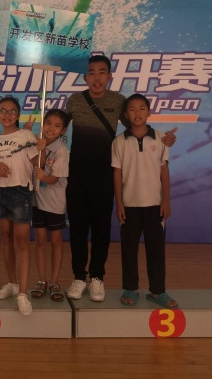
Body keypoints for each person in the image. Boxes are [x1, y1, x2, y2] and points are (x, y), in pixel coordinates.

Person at [65, 55, 177, 302]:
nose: (97, 78)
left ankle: (97, 277)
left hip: (105, 176)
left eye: (102, 72)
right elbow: (58, 128)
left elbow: (137, 127)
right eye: (92, 73)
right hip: (77, 177)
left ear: (109, 76)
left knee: (102, 230)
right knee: (78, 231)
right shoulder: (74, 100)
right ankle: (79, 277)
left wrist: (164, 139)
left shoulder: (118, 101)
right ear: (85, 77)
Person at [112, 94, 178, 309]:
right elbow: (117, 174)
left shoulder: (160, 138)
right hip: (129, 206)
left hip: (155, 205)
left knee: (156, 250)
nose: (137, 113)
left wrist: (166, 200)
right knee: (129, 250)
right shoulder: (119, 141)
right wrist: (119, 203)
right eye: (132, 109)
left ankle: (158, 291)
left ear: (149, 112)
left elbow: (164, 171)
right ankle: (130, 288)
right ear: (125, 114)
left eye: (142, 108)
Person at [0, 96, 46, 315]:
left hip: (20, 191)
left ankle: (22, 293)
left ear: (18, 115)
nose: (7, 114)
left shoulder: (26, 135)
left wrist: (42, 148)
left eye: (12, 111)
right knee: (5, 240)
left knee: (22, 242)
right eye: (3, 110)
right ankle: (12, 283)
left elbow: (39, 163)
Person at [30, 109, 70, 302]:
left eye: (57, 125)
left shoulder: (61, 150)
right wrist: (38, 145)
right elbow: (32, 161)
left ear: (63, 130)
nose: (51, 128)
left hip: (55, 204)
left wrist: (43, 177)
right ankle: (42, 280)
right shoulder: (37, 143)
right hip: (37, 201)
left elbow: (54, 179)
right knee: (40, 242)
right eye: (48, 123)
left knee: (55, 242)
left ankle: (54, 281)